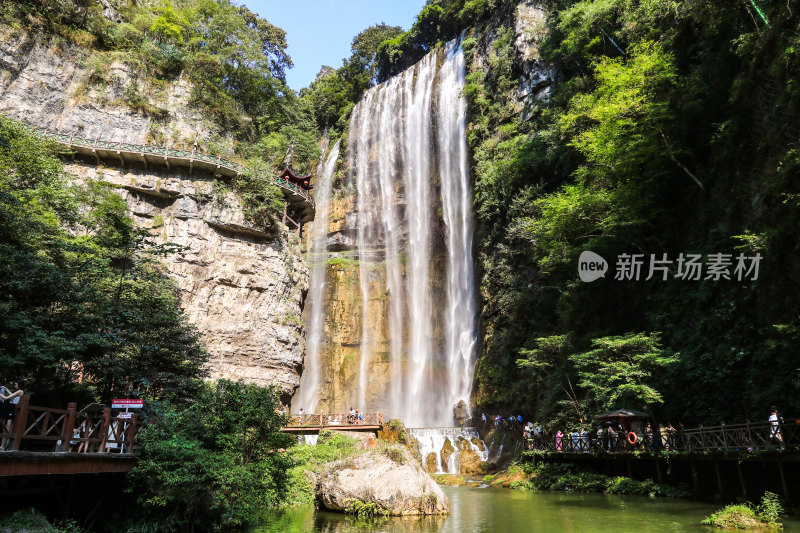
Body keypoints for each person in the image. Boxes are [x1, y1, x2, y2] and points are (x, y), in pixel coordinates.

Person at [0, 379, 24, 450]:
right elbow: (12, 396)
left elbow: (7, 398)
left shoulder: (20, 391)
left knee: (7, 428)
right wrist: (6, 389)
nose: (15, 385)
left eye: (16, 384)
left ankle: (3, 446)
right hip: (10, 409)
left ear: (19, 384)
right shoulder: (19, 392)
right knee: (6, 427)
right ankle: (2, 445)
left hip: (12, 409)